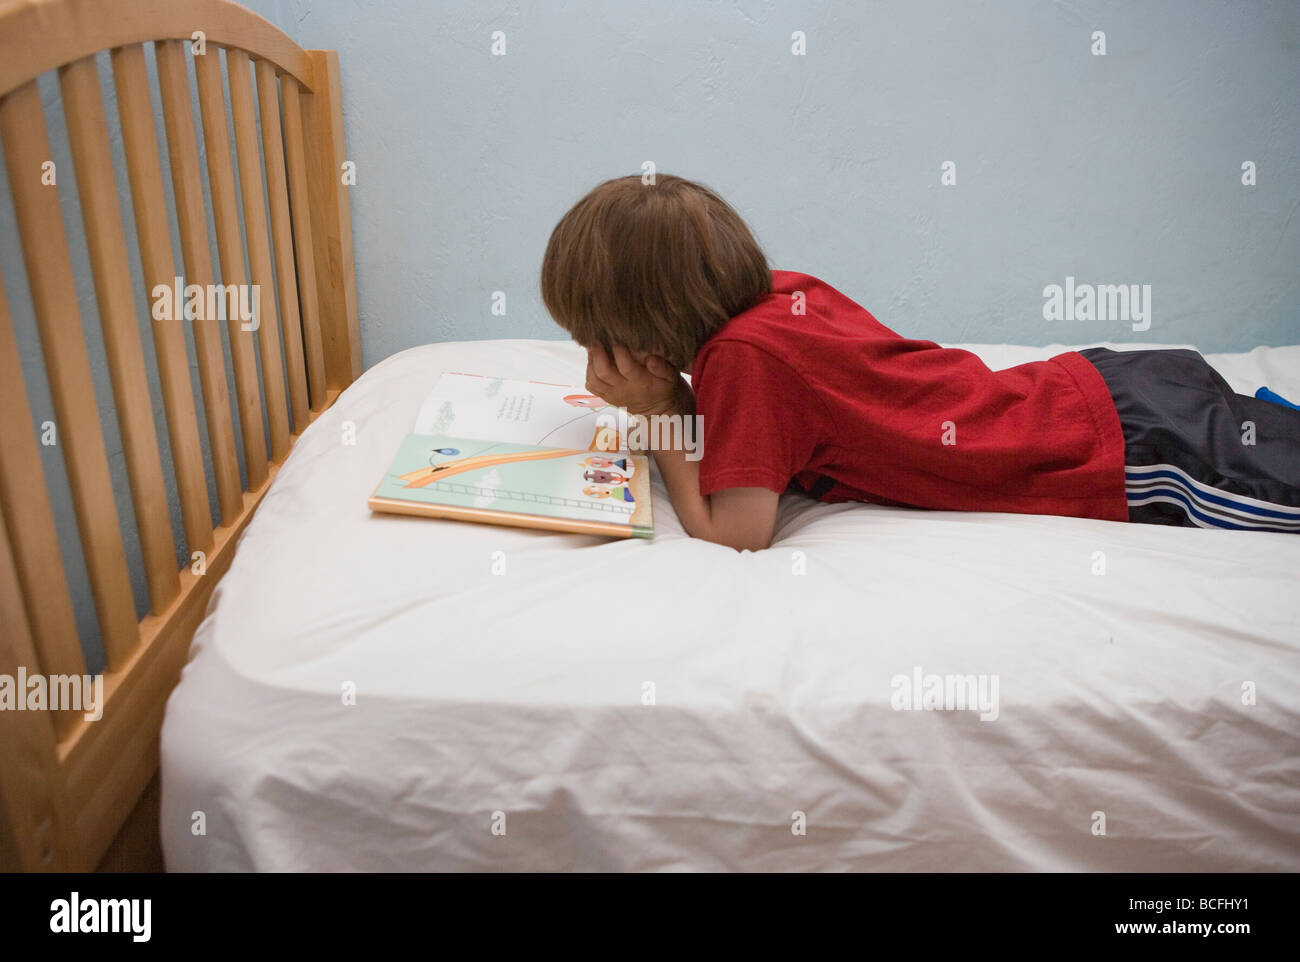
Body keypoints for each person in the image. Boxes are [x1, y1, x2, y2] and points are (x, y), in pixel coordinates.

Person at [540, 174, 1300, 550]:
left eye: (594, 333)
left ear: (643, 325)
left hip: (1120, 447)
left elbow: (738, 534)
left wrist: (663, 411)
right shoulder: (777, 297)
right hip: (1108, 387)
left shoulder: (742, 358)